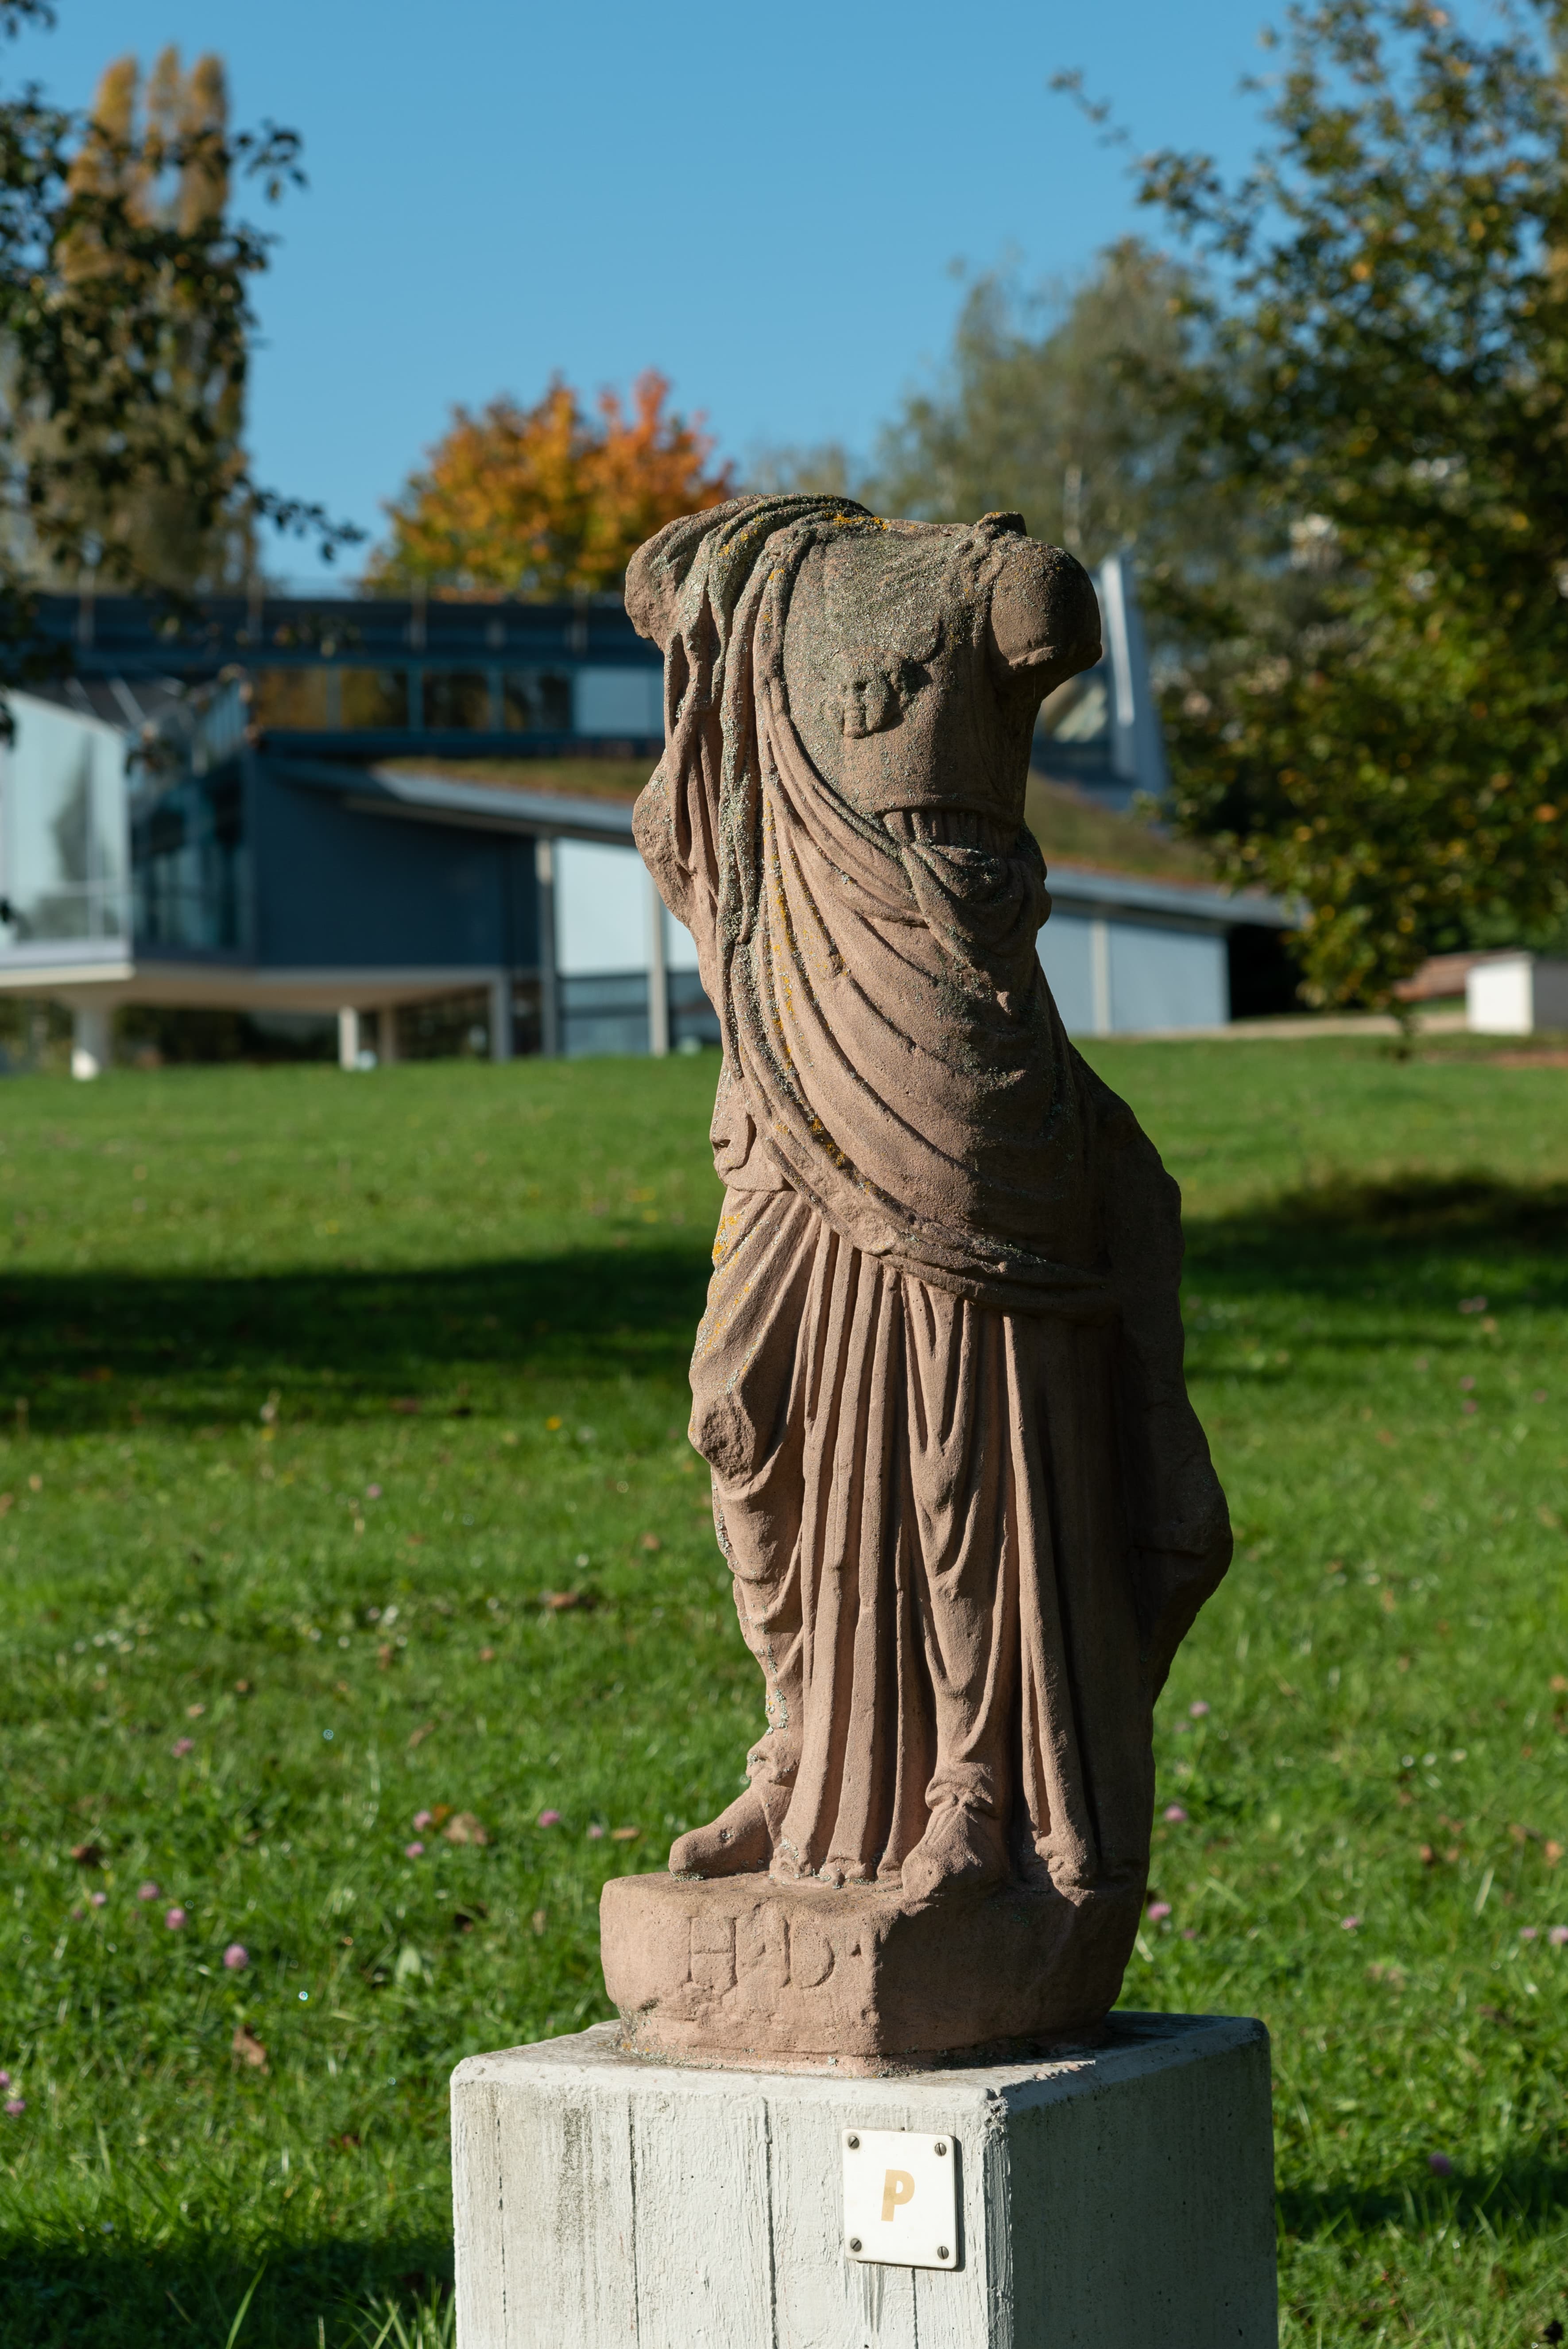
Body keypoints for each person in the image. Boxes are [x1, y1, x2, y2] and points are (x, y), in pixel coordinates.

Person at [627, 494, 1229, 1918]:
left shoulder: (999, 582)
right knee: (741, 1407)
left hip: (947, 1043)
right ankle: (798, 1748)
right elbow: (658, 597)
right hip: (783, 1059)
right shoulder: (735, 597)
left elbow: (1054, 619)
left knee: (962, 1438)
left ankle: (974, 1783)